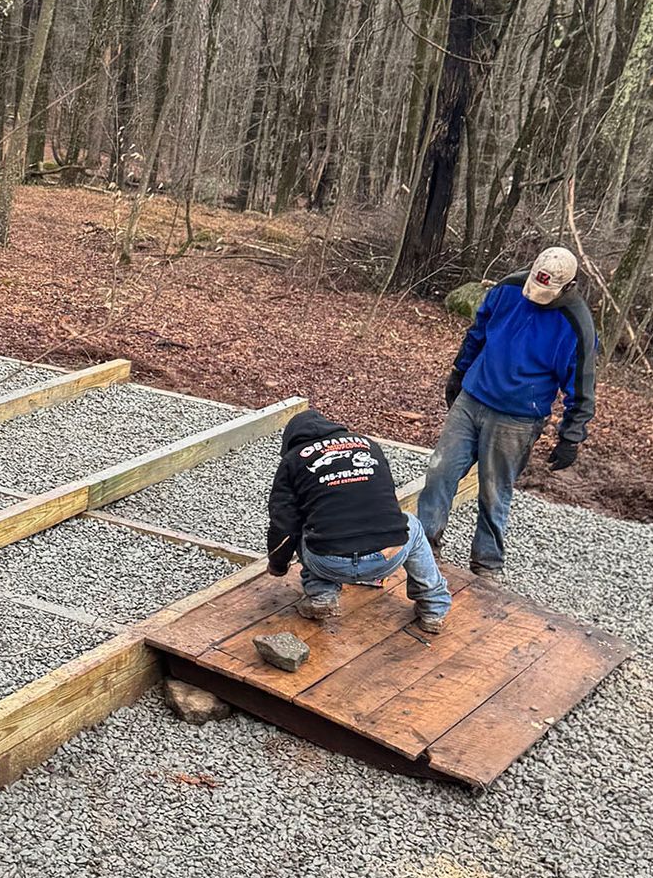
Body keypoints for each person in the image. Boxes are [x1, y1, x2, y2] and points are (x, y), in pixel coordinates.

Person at [416, 245, 598, 577]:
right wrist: (459, 372)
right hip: (473, 398)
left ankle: (486, 565)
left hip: (517, 418)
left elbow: (582, 386)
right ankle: (422, 545)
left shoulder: (576, 323)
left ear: (568, 287)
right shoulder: (509, 289)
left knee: (494, 491)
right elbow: (477, 333)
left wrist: (571, 436)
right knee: (440, 471)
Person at [256, 408, 453, 670]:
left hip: (329, 560)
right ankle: (433, 608)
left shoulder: (293, 460)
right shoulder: (368, 445)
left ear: (291, 440)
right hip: (387, 556)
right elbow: (382, 499)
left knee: (307, 523)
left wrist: (278, 565)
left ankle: (322, 595)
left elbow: (284, 524)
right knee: (412, 525)